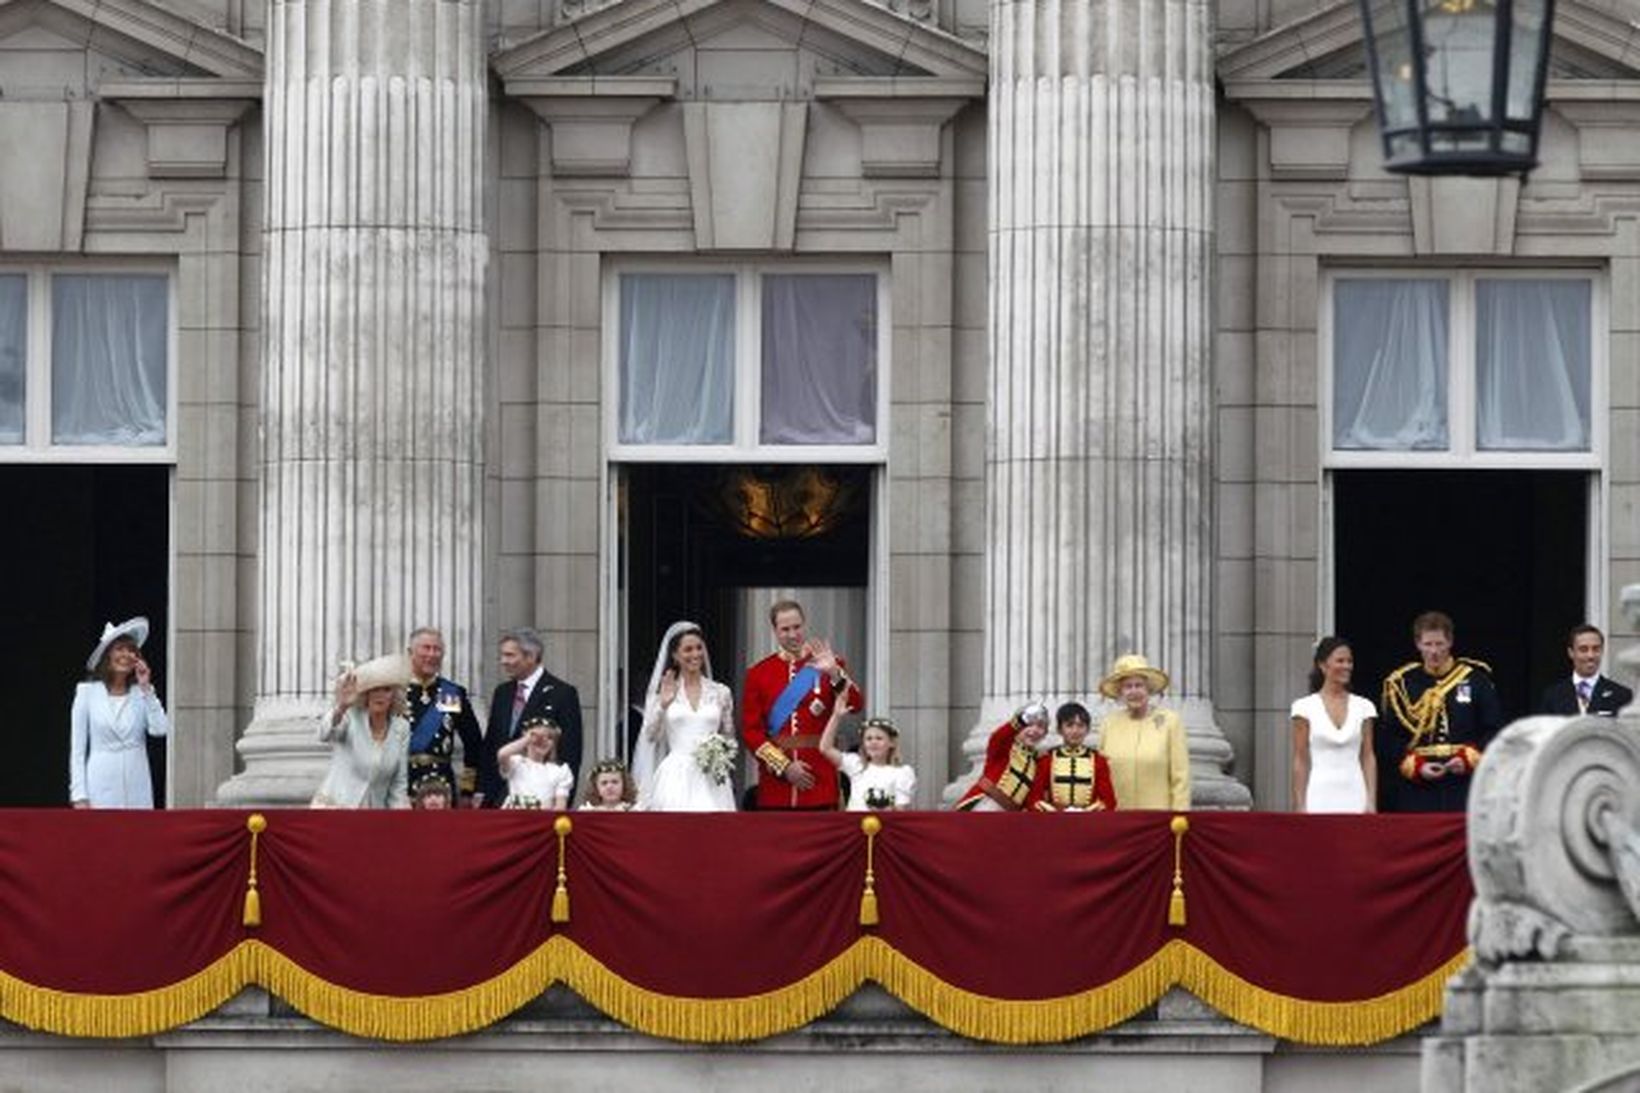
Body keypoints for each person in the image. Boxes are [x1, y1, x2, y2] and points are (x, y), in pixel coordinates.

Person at [741, 600, 865, 810]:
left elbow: (855, 704)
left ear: (804, 624)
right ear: (775, 631)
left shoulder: (828, 663)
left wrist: (834, 673)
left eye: (797, 627)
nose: (792, 634)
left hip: (820, 777)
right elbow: (751, 731)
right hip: (777, 785)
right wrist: (784, 766)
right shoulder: (758, 673)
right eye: (785, 629)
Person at [1376, 611, 1502, 813]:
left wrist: (1468, 758)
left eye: (1439, 644)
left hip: (1464, 784)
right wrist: (1415, 765)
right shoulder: (1403, 684)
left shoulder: (1476, 680)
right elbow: (1389, 737)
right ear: (1418, 644)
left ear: (1450, 642)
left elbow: (1493, 730)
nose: (1434, 651)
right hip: (1418, 787)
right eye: (1428, 644)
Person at [633, 622, 738, 812]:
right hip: (675, 775)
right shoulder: (661, 693)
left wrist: (719, 755)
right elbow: (650, 735)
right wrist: (663, 704)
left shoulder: (721, 692)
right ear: (675, 655)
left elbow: (729, 737)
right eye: (687, 650)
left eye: (699, 648)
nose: (695, 654)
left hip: (711, 776)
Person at [69, 616, 170, 809]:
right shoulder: (87, 693)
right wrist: (79, 794)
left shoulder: (141, 693)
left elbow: (160, 730)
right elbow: (78, 749)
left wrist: (146, 688)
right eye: (119, 649)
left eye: (131, 650)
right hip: (100, 788)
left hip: (137, 788)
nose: (126, 654)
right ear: (107, 655)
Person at [482, 628, 583, 807]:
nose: (503, 661)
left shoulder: (562, 693)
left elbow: (571, 751)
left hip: (541, 797)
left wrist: (563, 801)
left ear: (531, 656)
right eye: (503, 655)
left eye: (510, 655)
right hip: (498, 796)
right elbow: (492, 743)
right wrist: (481, 789)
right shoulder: (502, 692)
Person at [1290, 636, 1377, 814]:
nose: (1346, 666)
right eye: (1340, 661)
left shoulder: (1364, 706)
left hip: (1355, 794)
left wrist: (1371, 800)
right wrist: (1300, 804)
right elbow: (1300, 759)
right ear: (1323, 665)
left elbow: (1368, 756)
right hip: (1318, 794)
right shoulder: (1304, 707)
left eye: (1349, 661)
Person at [313, 652, 412, 809]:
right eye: (374, 689)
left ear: (394, 695)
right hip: (335, 810)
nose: (380, 695)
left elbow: (399, 782)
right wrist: (341, 707)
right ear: (366, 694)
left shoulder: (402, 727)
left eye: (386, 689)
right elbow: (324, 734)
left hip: (373, 816)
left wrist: (400, 819)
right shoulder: (350, 717)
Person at [1096, 654, 1190, 811]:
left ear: (1149, 689)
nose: (1134, 691)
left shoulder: (1170, 722)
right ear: (1120, 692)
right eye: (1128, 686)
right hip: (1118, 815)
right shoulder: (1109, 724)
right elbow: (1100, 773)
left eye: (1138, 685)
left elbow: (1181, 775)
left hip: (1157, 819)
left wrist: (1180, 813)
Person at [404, 627, 486, 806]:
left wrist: (467, 788)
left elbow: (474, 744)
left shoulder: (451, 693)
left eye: (437, 649)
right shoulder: (396, 691)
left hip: (441, 785)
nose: (432, 654)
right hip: (401, 783)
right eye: (426, 648)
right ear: (410, 652)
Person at [954, 702, 1051, 811]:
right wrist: (1021, 719)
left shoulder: (1036, 762)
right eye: (1029, 724)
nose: (1034, 730)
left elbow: (1033, 799)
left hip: (1010, 816)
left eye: (1040, 726)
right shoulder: (1006, 747)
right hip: (987, 804)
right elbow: (998, 737)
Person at [818, 709, 917, 811]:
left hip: (883, 825)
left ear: (891, 743)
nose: (873, 742)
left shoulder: (902, 772)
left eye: (879, 738)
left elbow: (901, 809)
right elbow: (825, 748)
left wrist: (883, 808)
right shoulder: (856, 764)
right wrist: (836, 715)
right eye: (869, 739)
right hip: (854, 824)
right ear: (863, 744)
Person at [1034, 701, 1116, 812]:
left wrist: (1088, 811)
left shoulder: (1099, 761)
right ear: (1059, 729)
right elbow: (1034, 799)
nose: (1075, 731)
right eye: (1069, 725)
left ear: (1087, 730)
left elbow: (1108, 801)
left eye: (1080, 726)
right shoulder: (1046, 760)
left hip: (1089, 821)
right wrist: (1051, 811)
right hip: (1055, 821)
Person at [1538, 624, 1634, 717]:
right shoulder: (1553, 696)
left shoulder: (1622, 696)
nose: (1590, 656)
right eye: (1583, 649)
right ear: (1571, 653)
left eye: (1596, 649)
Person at [496, 718, 573, 809]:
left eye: (549, 738)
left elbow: (560, 806)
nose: (543, 741)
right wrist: (528, 738)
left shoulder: (560, 770)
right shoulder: (517, 763)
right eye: (537, 738)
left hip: (543, 819)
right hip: (516, 818)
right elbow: (502, 754)